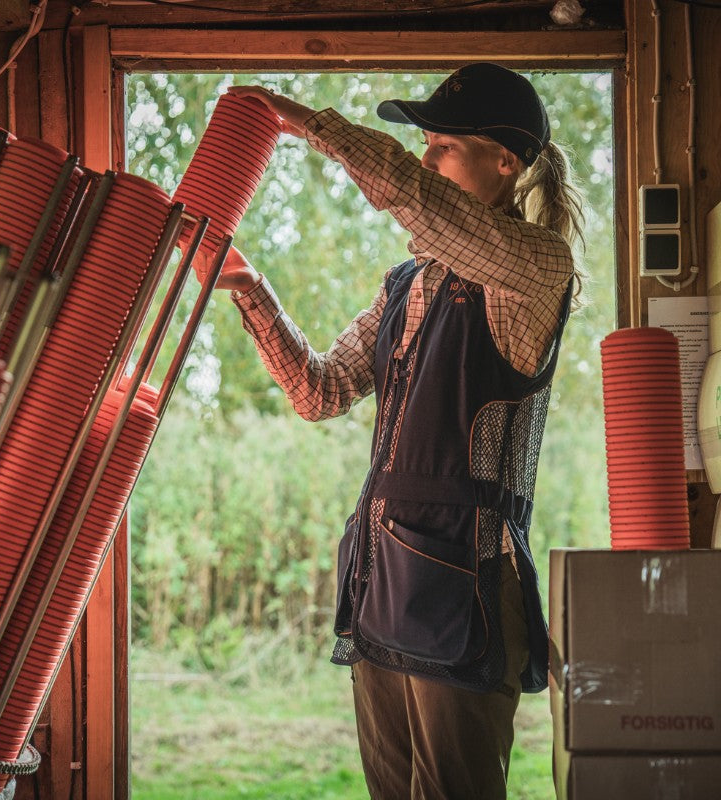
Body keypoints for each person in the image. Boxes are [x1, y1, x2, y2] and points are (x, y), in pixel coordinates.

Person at [206, 63, 583, 800]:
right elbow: (320, 391)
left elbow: (416, 202)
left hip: (468, 589)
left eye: (442, 145)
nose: (424, 160)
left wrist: (305, 121)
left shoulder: (537, 269)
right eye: (425, 145)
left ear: (505, 161)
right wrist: (252, 292)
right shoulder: (405, 284)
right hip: (380, 579)